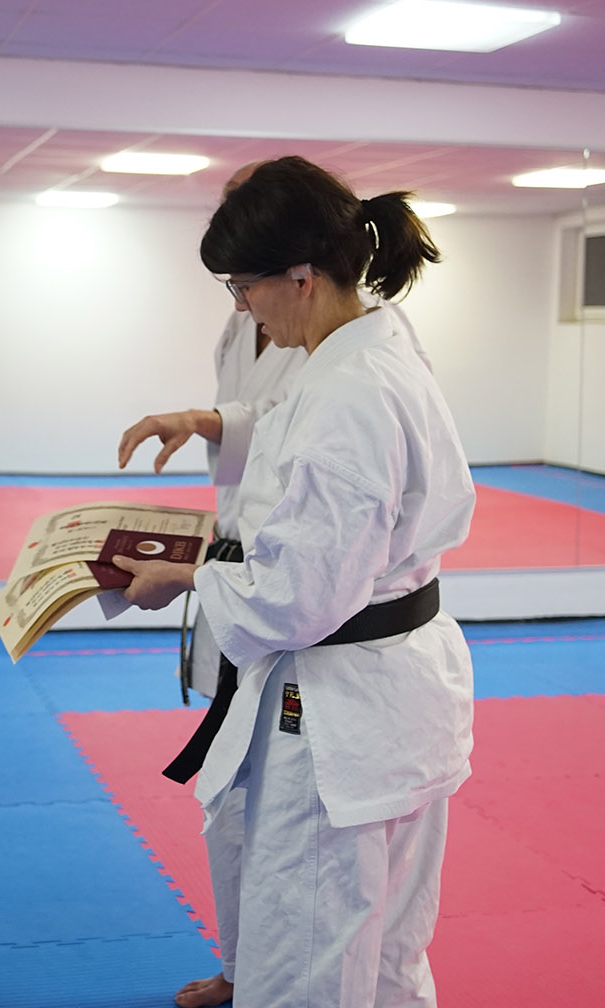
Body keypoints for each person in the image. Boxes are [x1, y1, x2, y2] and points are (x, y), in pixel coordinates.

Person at [114, 157, 476, 1008]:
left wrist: (187, 579)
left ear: (302, 277)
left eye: (245, 288)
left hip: (338, 716)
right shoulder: (372, 352)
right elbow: (292, 459)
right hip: (395, 695)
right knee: (387, 956)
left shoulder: (351, 389)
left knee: (305, 965)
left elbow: (300, 597)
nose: (243, 308)